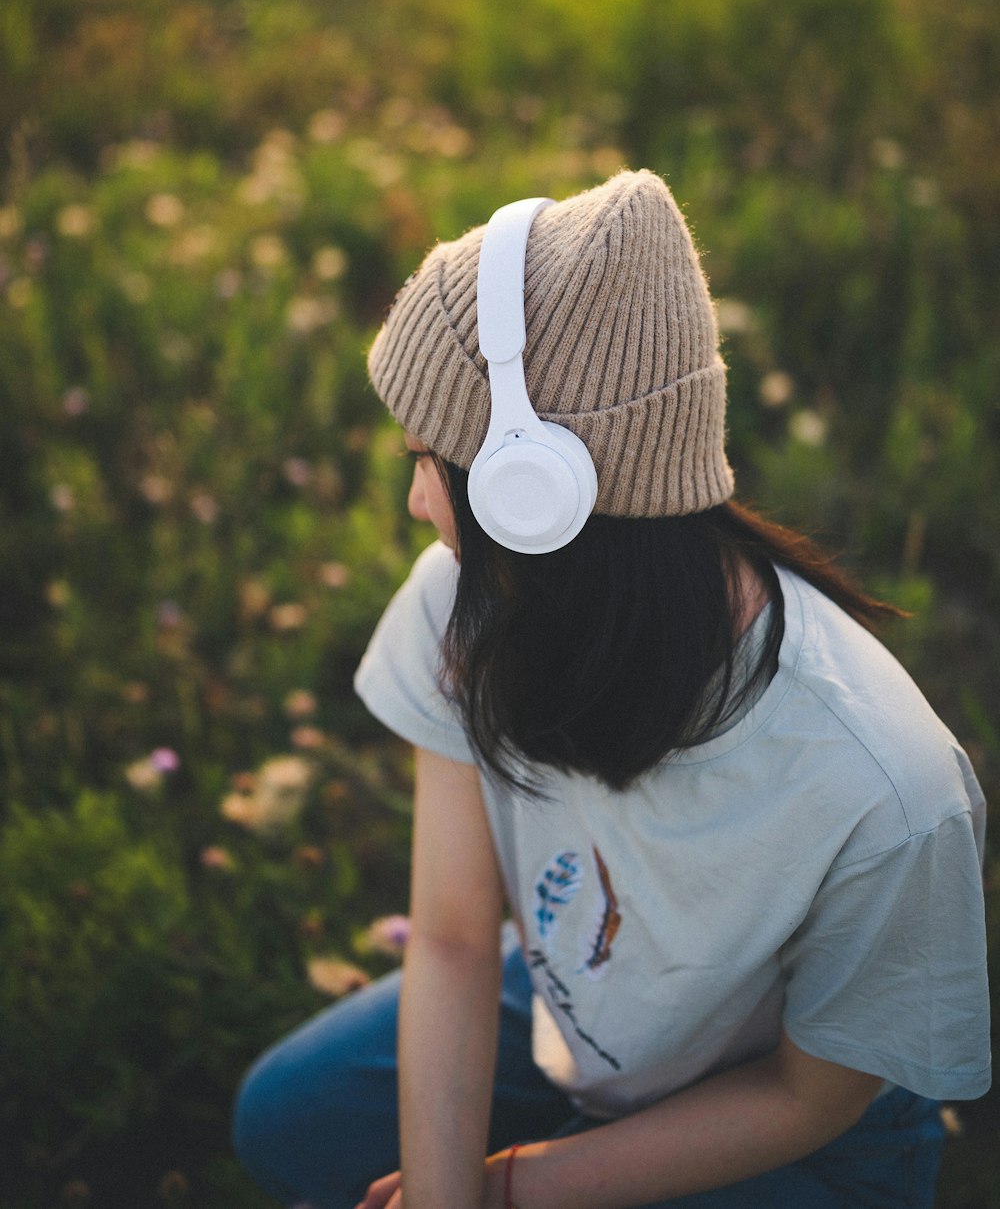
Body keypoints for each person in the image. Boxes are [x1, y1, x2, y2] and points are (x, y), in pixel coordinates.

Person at [233, 170, 990, 1209]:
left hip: (795, 1132)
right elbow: (453, 935)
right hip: (582, 1004)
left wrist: (507, 1186)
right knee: (285, 1120)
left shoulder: (888, 788)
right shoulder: (463, 604)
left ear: (533, 489)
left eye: (427, 460)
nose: (414, 499)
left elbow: (805, 1096)